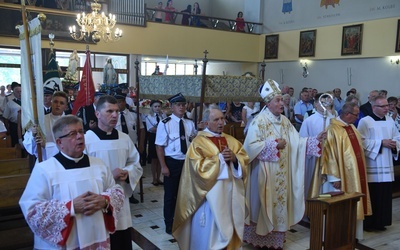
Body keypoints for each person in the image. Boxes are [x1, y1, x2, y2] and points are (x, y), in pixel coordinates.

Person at [19, 115, 125, 250]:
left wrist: (105, 201)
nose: (80, 136)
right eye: (72, 134)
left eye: (81, 131)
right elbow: (32, 209)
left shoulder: (99, 165)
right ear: (59, 143)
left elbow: (117, 191)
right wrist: (70, 207)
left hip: (96, 237)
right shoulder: (44, 170)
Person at [243, 79, 325, 249]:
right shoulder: (259, 121)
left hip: (282, 174)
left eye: (282, 100)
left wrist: (313, 141)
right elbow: (249, 149)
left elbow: (297, 142)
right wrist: (273, 145)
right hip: (264, 174)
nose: (282, 103)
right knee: (264, 206)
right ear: (268, 102)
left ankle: (275, 240)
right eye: (278, 100)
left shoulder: (285, 121)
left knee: (279, 206)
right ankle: (259, 241)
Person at [172, 107, 249, 249]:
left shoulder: (232, 141)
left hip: (230, 196)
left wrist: (235, 159)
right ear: (207, 123)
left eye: (222, 118)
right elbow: (196, 169)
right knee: (208, 234)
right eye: (216, 119)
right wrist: (219, 159)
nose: (221, 122)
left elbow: (244, 160)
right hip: (208, 198)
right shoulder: (198, 143)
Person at [84, 95, 143, 249]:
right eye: (109, 111)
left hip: (121, 200)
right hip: (98, 201)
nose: (115, 115)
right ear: (97, 114)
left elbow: (135, 163)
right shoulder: (87, 140)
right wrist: (111, 175)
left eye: (116, 111)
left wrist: (128, 172)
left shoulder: (124, 138)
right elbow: (83, 173)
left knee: (121, 240)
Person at [309, 102, 372, 239]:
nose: (357, 117)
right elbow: (328, 154)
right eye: (356, 115)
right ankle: (335, 236)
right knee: (337, 207)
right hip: (338, 178)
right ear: (347, 114)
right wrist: (333, 177)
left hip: (353, 174)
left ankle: (352, 235)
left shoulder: (352, 128)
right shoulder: (332, 129)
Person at [155, 93, 196, 234]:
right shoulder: (165, 123)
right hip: (172, 163)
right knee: (170, 195)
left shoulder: (189, 123)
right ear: (172, 107)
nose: (182, 107)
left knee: (185, 193)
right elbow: (159, 146)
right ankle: (169, 222)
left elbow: (193, 140)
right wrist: (164, 166)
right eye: (178, 105)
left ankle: (182, 219)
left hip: (186, 162)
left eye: (183, 105)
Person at [357, 95, 400, 232]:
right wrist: (381, 143)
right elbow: (361, 141)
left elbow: (397, 137)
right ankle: (369, 223)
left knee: (385, 194)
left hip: (387, 163)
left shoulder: (390, 121)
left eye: (387, 105)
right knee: (373, 194)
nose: (387, 108)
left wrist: (395, 144)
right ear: (374, 107)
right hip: (372, 164)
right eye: (383, 106)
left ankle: (382, 222)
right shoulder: (365, 121)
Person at [299, 93, 336, 201]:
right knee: (313, 185)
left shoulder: (334, 120)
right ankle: (312, 211)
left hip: (331, 158)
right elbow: (302, 141)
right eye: (322, 102)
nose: (325, 104)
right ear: (315, 104)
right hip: (314, 159)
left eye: (326, 102)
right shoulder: (309, 121)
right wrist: (316, 140)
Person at [23, 91, 69, 162]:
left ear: (66, 107)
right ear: (51, 103)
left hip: (65, 160)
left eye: (61, 103)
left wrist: (46, 145)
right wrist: (33, 135)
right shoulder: (41, 121)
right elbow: (29, 145)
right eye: (55, 102)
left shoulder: (70, 122)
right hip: (45, 159)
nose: (58, 105)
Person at [146, 100, 166, 185]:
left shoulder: (163, 116)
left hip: (162, 137)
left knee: (160, 159)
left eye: (159, 106)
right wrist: (160, 128)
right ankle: (154, 178)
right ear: (152, 107)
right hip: (153, 137)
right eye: (155, 106)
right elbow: (151, 129)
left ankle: (159, 178)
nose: (157, 108)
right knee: (154, 159)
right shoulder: (149, 117)